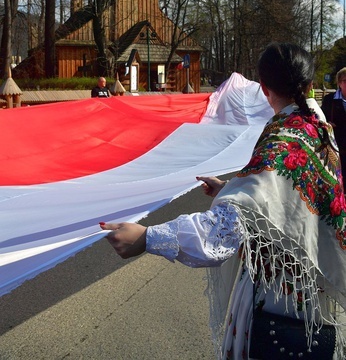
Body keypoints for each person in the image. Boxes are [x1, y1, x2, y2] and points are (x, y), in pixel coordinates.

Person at [100, 43, 346, 359]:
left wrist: (147, 237)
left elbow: (226, 231)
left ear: (263, 88)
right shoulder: (315, 123)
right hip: (312, 300)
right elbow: (288, 195)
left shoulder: (283, 139)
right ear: (311, 84)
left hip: (281, 308)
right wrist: (231, 190)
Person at [322, 67, 346, 187]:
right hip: (336, 148)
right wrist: (327, 124)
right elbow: (321, 119)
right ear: (339, 83)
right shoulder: (329, 100)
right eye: (345, 80)